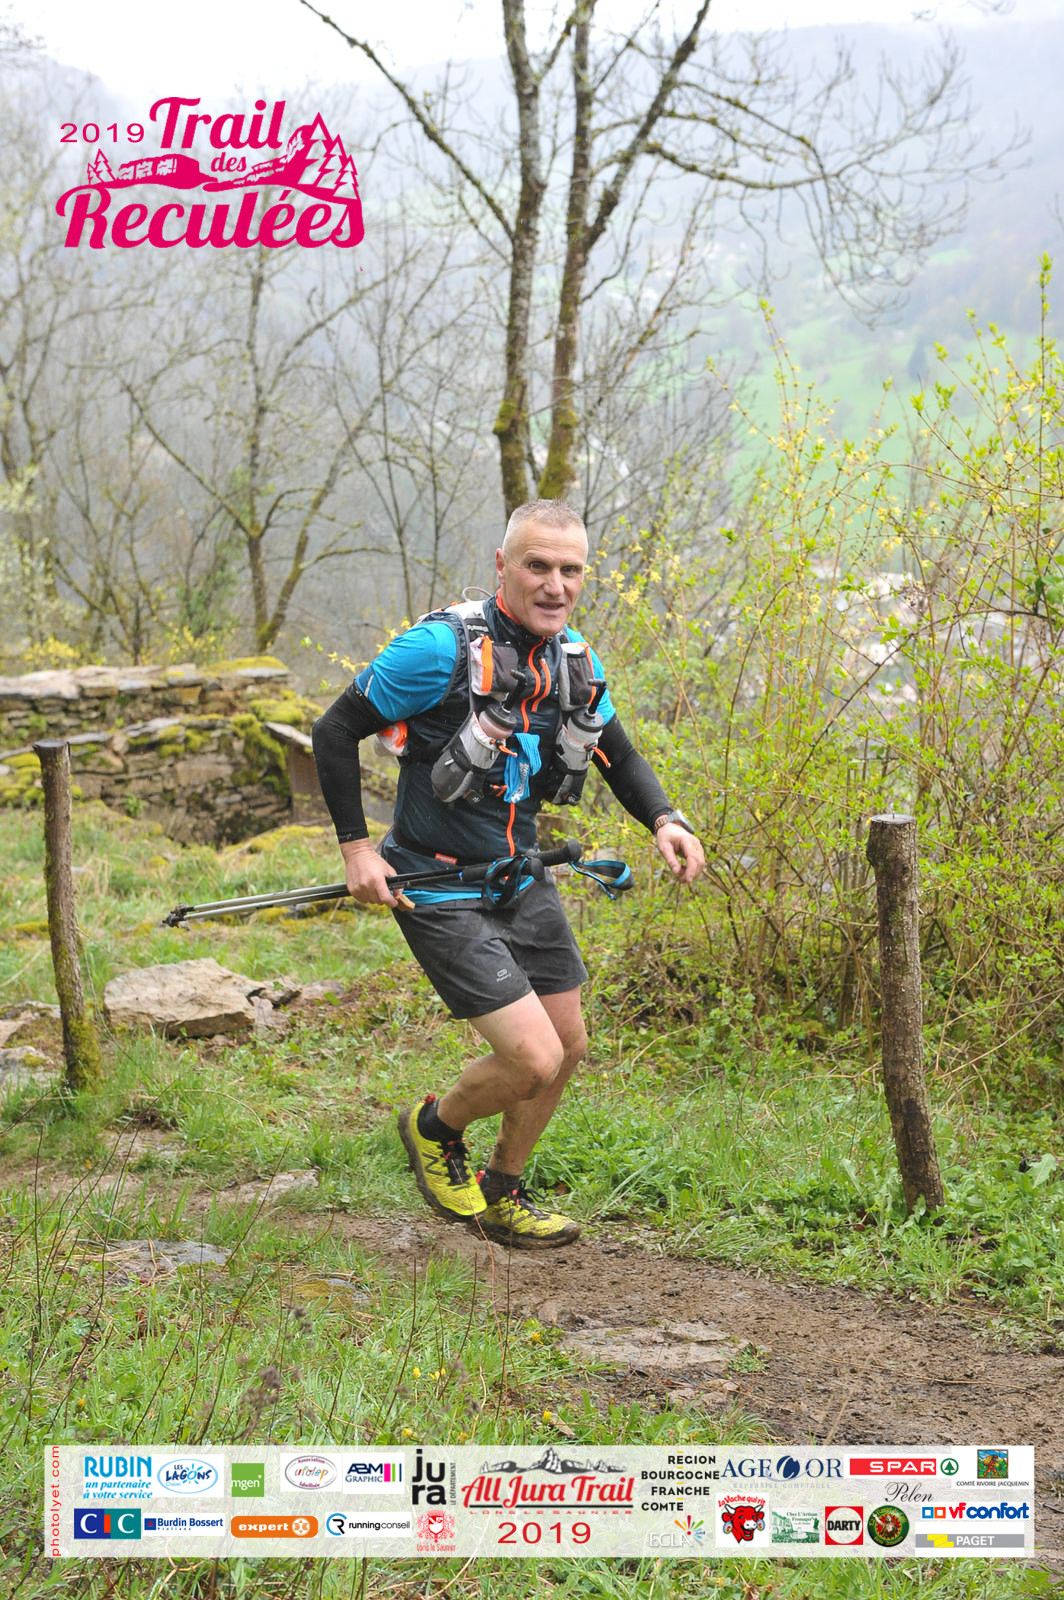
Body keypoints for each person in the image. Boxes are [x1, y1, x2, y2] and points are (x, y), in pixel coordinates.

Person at [312, 499, 704, 1249]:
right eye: (537, 566)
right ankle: (434, 1128)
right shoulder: (438, 650)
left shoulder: (573, 660)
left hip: (520, 874)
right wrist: (357, 850)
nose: (556, 585)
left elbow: (616, 751)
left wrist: (665, 820)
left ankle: (503, 1190)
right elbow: (335, 729)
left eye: (571, 570)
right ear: (502, 566)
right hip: (434, 883)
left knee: (569, 1045)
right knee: (533, 1058)